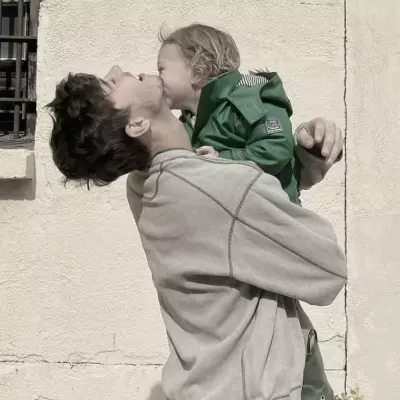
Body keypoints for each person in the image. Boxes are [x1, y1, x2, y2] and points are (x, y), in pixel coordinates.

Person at [47, 67, 347, 400]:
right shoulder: (223, 186)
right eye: (111, 84)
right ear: (137, 124)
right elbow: (328, 270)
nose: (118, 70)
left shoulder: (142, 184)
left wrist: (302, 156)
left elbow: (239, 224)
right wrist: (252, 174)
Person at [157, 24, 342, 203]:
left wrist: (222, 160)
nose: (157, 79)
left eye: (161, 69)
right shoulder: (187, 122)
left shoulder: (250, 97)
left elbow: (275, 148)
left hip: (273, 214)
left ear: (198, 71)